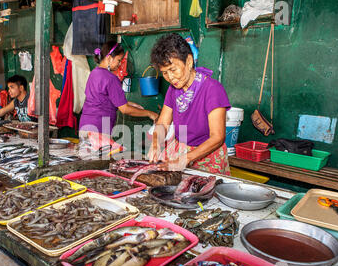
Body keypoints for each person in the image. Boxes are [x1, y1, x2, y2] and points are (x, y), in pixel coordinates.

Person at [147, 33, 231, 175]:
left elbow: (217, 137)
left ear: (189, 61)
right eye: (165, 73)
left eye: (173, 70)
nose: (170, 77)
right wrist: (155, 144)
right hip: (181, 150)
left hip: (207, 155)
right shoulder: (173, 90)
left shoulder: (212, 89)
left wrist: (186, 159)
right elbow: (163, 124)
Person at [79, 41, 158, 135]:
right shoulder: (111, 78)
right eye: (119, 60)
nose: (119, 64)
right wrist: (150, 114)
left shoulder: (94, 73)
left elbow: (103, 99)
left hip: (84, 126)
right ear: (109, 58)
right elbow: (125, 109)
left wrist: (129, 103)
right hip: (99, 128)